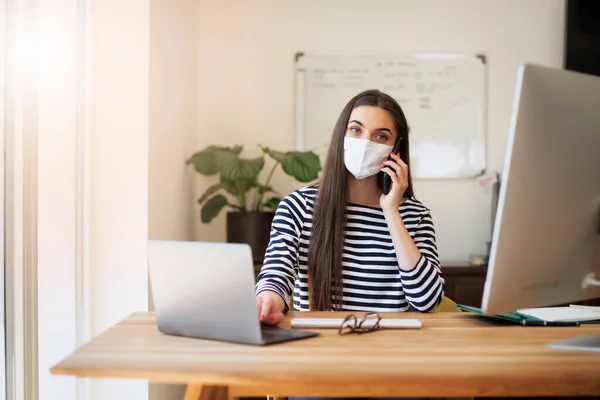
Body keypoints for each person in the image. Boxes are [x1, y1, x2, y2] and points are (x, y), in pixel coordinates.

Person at [255, 89, 445, 325]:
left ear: (396, 149)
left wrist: (391, 211)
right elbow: (276, 274)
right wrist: (268, 299)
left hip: (393, 350)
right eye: (356, 130)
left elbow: (427, 301)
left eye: (381, 136)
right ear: (340, 136)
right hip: (322, 348)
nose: (365, 143)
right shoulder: (298, 206)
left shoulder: (416, 215)